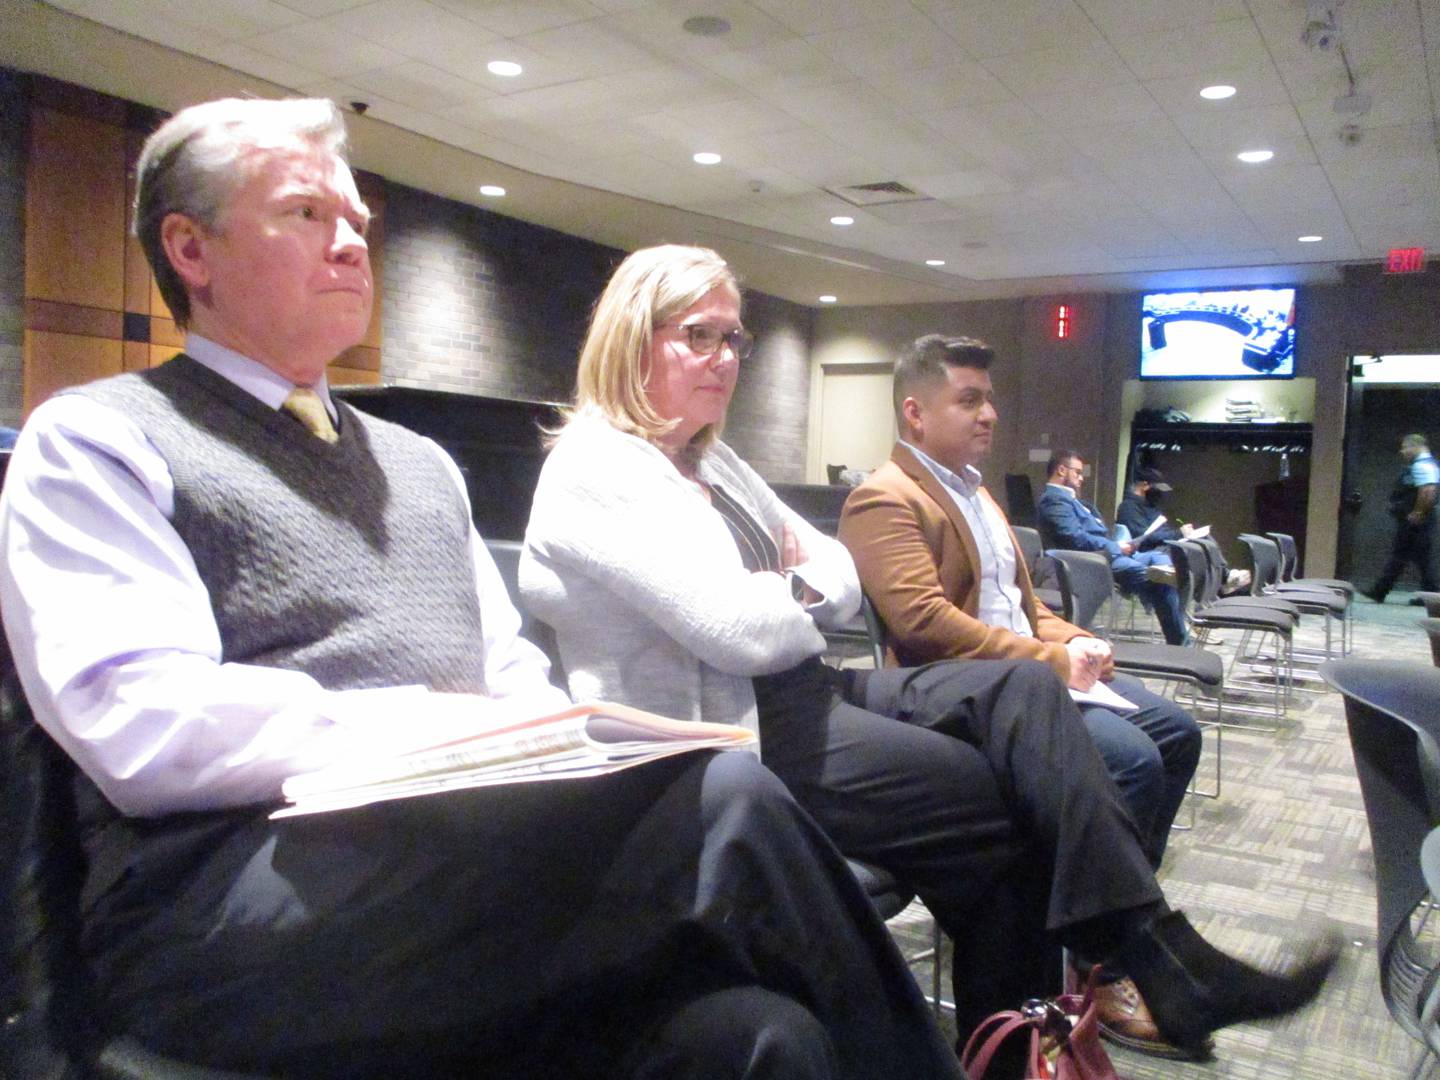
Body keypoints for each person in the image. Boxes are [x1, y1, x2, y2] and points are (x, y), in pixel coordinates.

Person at [0, 98, 967, 1080]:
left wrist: (563, 747)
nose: (350, 244)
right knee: (724, 802)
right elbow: (142, 723)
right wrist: (430, 730)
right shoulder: (99, 438)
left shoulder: (421, 466)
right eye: (305, 215)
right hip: (215, 909)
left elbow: (508, 677)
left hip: (446, 864)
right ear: (191, 251)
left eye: (358, 223)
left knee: (761, 1037)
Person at [521, 243, 1338, 1067]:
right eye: (699, 335)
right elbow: (742, 628)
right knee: (1008, 818)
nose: (724, 358)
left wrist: (791, 589)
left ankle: (1147, 955)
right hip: (725, 742)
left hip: (803, 688)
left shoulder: (712, 460)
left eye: (735, 339)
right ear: (633, 336)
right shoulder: (595, 467)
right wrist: (797, 590)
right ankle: (1122, 981)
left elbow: (831, 567)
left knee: (1024, 688)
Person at [837, 335, 1202, 1058]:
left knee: (1176, 733)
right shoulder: (885, 497)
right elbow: (926, 626)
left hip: (1035, 670)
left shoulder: (981, 495)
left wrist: (1074, 639)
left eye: (989, 399)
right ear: (915, 412)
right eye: (968, 400)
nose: (989, 415)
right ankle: (1104, 963)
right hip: (961, 699)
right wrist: (1051, 659)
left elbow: (1025, 606)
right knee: (1131, 761)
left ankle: (1095, 945)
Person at [1038, 451, 1190, 645]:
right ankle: (1181, 644)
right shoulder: (1054, 499)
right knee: (1157, 580)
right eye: (1077, 472)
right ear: (1061, 470)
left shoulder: (1073, 500)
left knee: (1158, 560)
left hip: (1107, 555)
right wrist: (1115, 546)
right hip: (1090, 562)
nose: (1081, 477)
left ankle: (1167, 578)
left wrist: (1118, 546)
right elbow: (1074, 538)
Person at [1364, 433, 1440, 604]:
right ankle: (1430, 597)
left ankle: (1380, 591)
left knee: (1403, 556)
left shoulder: (1422, 466)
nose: (1402, 451)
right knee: (1419, 558)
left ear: (1416, 446)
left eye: (1405, 447)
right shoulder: (1426, 464)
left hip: (1417, 521)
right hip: (1419, 520)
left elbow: (1428, 491)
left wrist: (1418, 513)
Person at [1116, 467, 1195, 550]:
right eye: (1157, 489)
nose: (1159, 493)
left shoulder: (1150, 505)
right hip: (1144, 553)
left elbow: (1162, 530)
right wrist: (1178, 533)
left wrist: (1182, 533)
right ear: (1144, 486)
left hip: (1160, 548)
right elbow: (1143, 537)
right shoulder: (1128, 508)